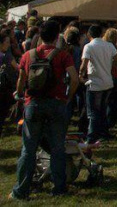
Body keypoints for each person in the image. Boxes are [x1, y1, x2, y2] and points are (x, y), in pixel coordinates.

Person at [9, 19, 79, 201]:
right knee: (57, 148)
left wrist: (21, 95)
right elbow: (74, 78)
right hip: (56, 103)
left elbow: (21, 80)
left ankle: (21, 190)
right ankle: (59, 187)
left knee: (28, 149)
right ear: (57, 37)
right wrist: (67, 97)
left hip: (33, 104)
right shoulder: (62, 55)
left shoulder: (29, 55)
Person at [80, 24, 117, 143]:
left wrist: (81, 75)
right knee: (103, 109)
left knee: (93, 112)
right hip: (108, 82)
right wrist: (108, 62)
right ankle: (104, 132)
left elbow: (84, 65)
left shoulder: (88, 46)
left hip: (95, 83)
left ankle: (92, 137)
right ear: (102, 34)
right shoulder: (109, 45)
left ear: (89, 34)